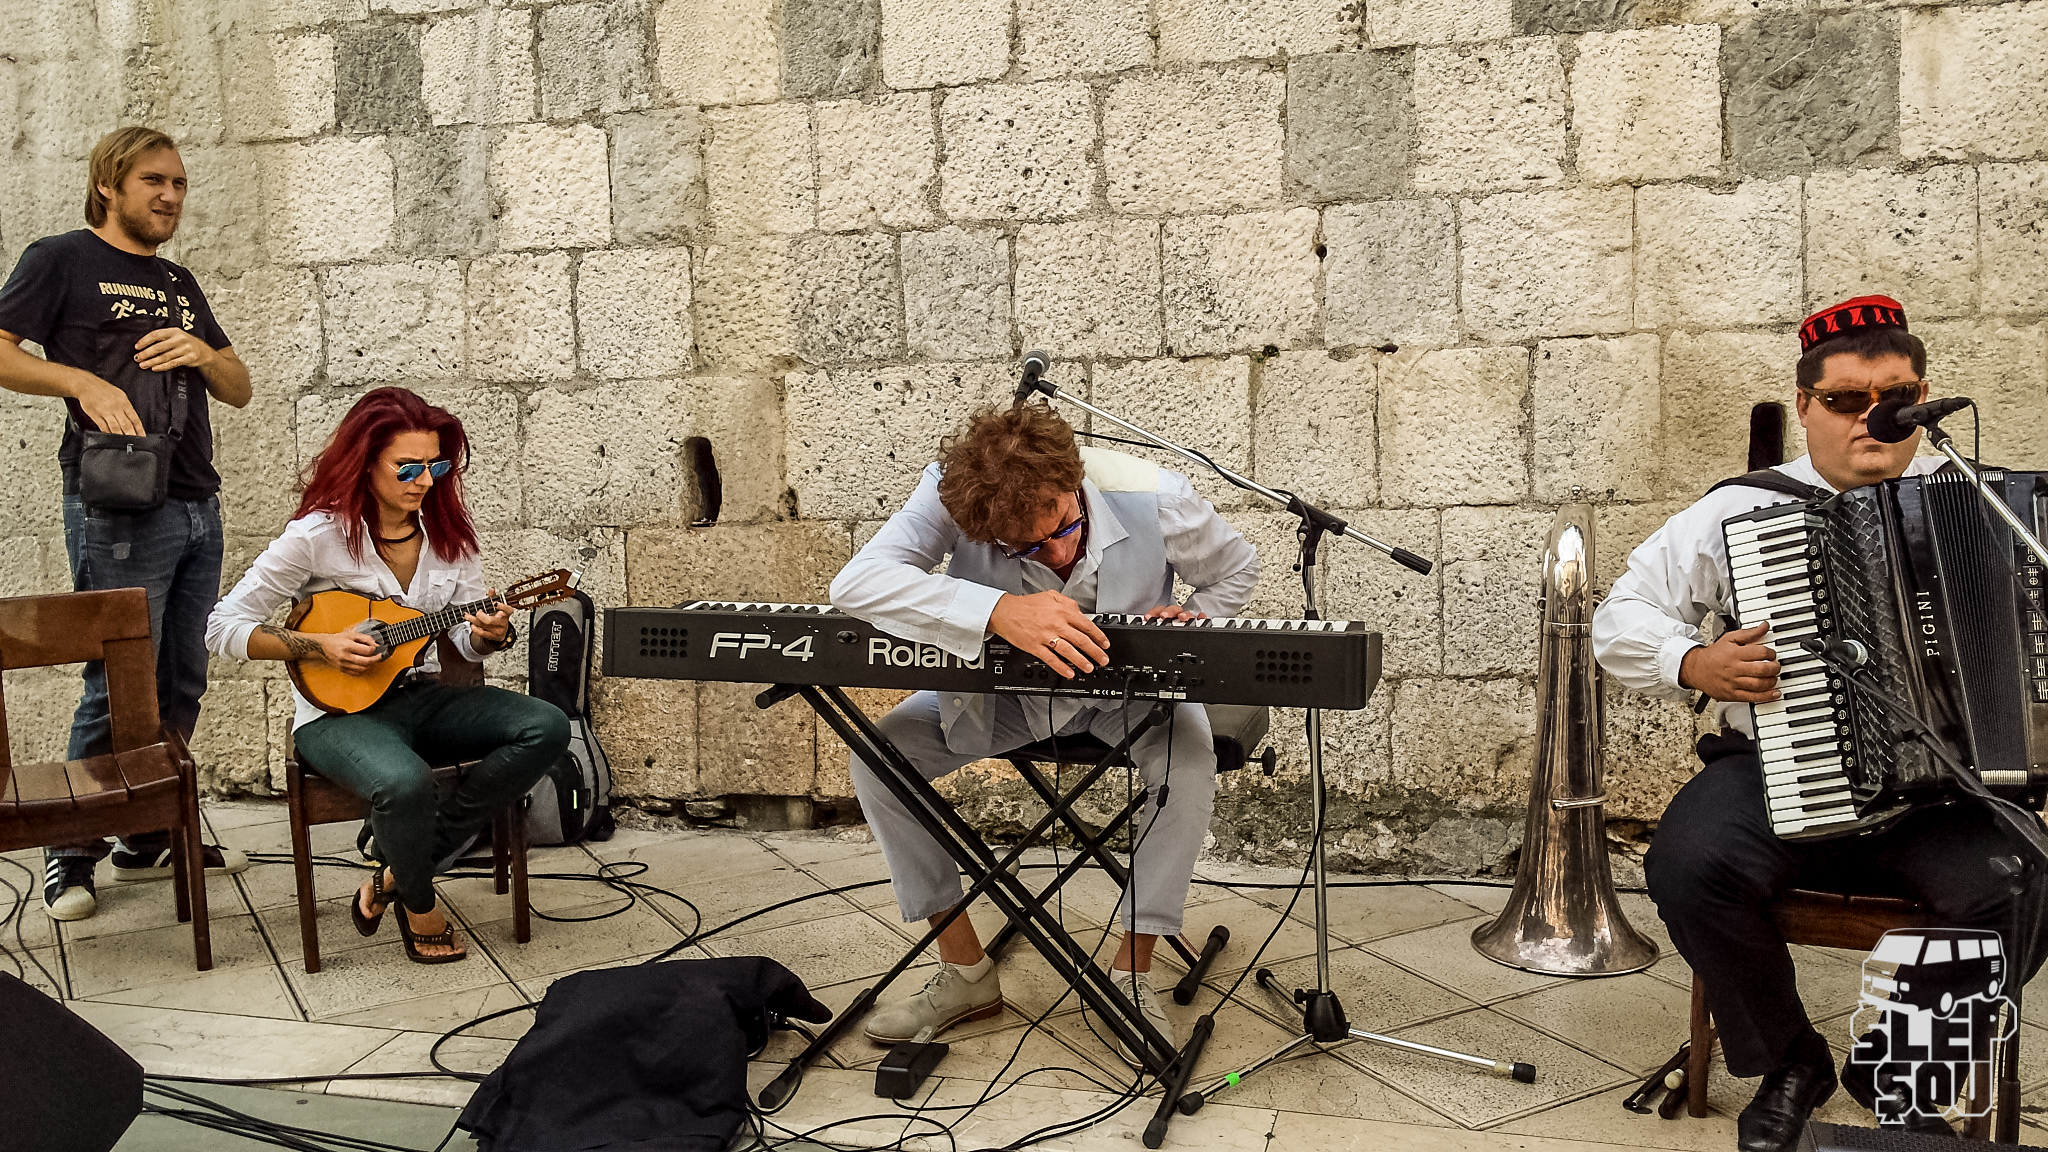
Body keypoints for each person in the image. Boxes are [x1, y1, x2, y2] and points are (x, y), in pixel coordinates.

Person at [1594, 296, 2034, 1149]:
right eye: (1843, 400)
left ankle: (1902, 1064)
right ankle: (1790, 1060)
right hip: (1775, 768)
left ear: (1922, 399)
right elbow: (1622, 615)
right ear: (1804, 405)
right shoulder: (1741, 510)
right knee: (1688, 866)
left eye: (1894, 398)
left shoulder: (1981, 506)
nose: (1872, 418)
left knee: (2026, 874)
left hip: (1943, 790)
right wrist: (1693, 661)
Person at [828, 401, 1258, 1064]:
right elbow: (856, 583)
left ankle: (1132, 975)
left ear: (1072, 480)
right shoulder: (949, 492)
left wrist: (1194, 616)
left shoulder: (1156, 495)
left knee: (1189, 761)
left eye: (1064, 525)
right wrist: (997, 609)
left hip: (1130, 698)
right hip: (1004, 699)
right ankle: (965, 973)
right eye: (1026, 548)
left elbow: (1236, 569)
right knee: (878, 758)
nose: (1055, 552)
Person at [205, 387, 569, 963]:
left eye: (436, 466)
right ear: (365, 462)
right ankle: (421, 907)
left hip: (421, 696)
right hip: (334, 717)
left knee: (546, 726)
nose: (424, 480)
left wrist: (489, 633)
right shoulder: (316, 538)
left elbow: (464, 644)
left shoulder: (450, 541)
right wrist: (319, 645)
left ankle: (399, 869)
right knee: (404, 783)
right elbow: (222, 626)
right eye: (408, 467)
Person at [0, 126, 254, 921]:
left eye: (178, 183)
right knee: (116, 682)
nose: (171, 196)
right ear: (109, 183)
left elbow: (239, 386)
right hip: (115, 505)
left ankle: (147, 832)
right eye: (154, 181)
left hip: (197, 502)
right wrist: (80, 382)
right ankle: (71, 849)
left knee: (181, 678)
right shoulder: (61, 259)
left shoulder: (178, 282)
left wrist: (202, 354)